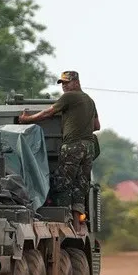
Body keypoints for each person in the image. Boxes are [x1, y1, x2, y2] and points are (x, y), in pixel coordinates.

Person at [18, 70, 100, 215]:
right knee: (80, 184)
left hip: (72, 146)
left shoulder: (69, 97)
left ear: (76, 82)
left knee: (63, 183)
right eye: (62, 83)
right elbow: (97, 126)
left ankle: (63, 216)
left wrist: (27, 119)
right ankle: (76, 222)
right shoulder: (89, 100)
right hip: (88, 148)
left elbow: (48, 113)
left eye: (67, 83)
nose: (64, 86)